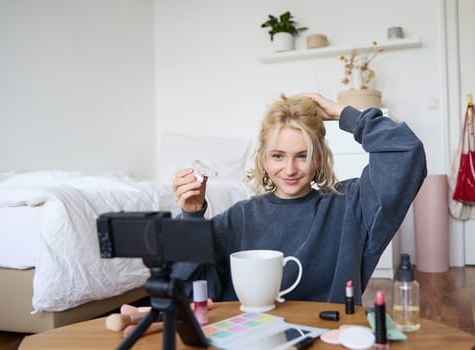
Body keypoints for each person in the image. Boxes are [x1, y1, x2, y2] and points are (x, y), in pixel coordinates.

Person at [171, 93, 426, 305]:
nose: (290, 169)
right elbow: (193, 292)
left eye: (303, 155)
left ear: (319, 158)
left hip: (327, 338)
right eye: (278, 156)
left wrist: (344, 114)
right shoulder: (239, 218)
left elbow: (406, 152)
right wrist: (192, 216)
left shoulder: (350, 207)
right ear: (263, 158)